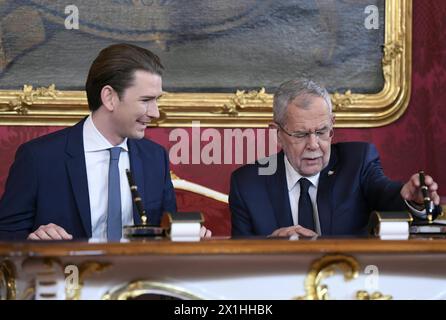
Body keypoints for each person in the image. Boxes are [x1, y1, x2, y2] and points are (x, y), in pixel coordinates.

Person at [0, 43, 211, 240]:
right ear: (109, 97)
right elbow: (7, 237)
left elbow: (166, 232)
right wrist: (35, 238)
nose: (155, 113)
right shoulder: (39, 158)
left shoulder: (155, 157)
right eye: (146, 100)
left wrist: (188, 236)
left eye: (157, 100)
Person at [229, 78, 441, 237]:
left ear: (332, 126)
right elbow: (237, 262)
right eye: (301, 134)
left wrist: (411, 198)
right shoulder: (248, 183)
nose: (313, 145)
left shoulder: (358, 162)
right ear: (277, 133)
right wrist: (268, 248)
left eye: (322, 132)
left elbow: (386, 193)